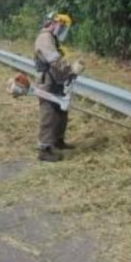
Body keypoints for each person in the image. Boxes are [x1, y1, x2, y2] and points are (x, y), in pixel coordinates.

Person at [34, 12, 84, 162]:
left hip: (57, 80)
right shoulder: (45, 38)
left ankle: (57, 141)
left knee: (61, 111)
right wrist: (71, 69)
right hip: (47, 81)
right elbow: (54, 60)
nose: (63, 31)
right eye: (61, 27)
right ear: (54, 23)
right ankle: (45, 149)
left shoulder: (52, 38)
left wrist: (69, 72)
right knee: (48, 113)